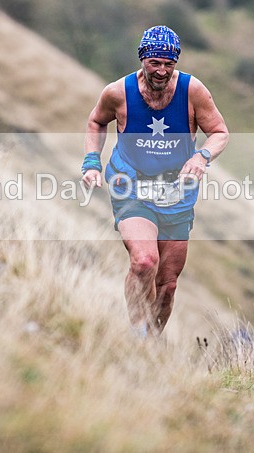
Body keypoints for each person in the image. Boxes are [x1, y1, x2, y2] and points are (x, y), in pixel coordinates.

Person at [81, 25, 229, 337]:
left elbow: (219, 132)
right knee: (145, 262)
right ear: (142, 59)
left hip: (178, 193)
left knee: (167, 284)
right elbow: (96, 121)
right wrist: (92, 161)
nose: (161, 71)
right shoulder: (118, 92)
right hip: (131, 185)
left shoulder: (193, 91)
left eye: (168, 64)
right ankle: (136, 336)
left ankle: (152, 341)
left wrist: (201, 157)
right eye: (154, 63)